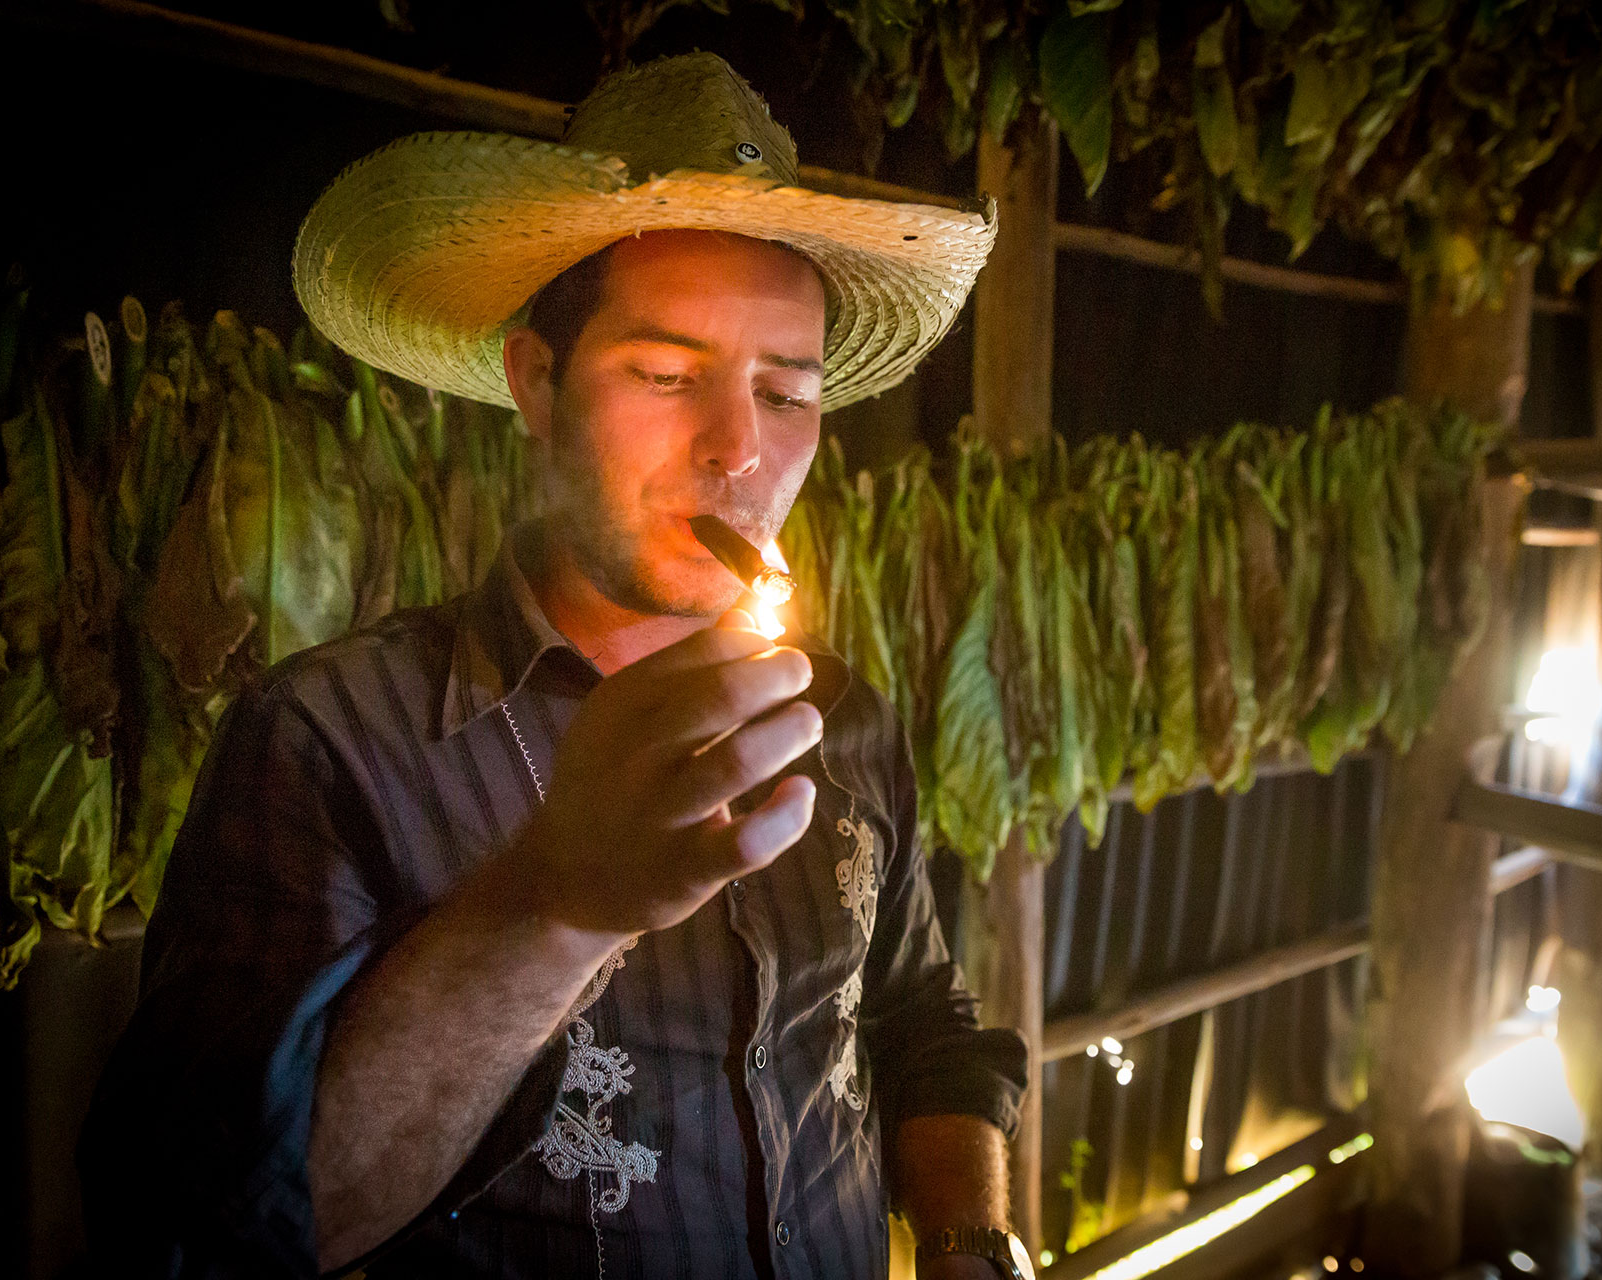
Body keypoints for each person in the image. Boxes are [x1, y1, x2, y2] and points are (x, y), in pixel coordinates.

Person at [81, 52, 1032, 1280]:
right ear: (538, 383)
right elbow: (210, 1231)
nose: (738, 450)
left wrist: (967, 1237)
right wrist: (556, 899)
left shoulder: (843, 719)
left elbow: (922, 1024)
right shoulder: (334, 741)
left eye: (785, 393)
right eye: (667, 375)